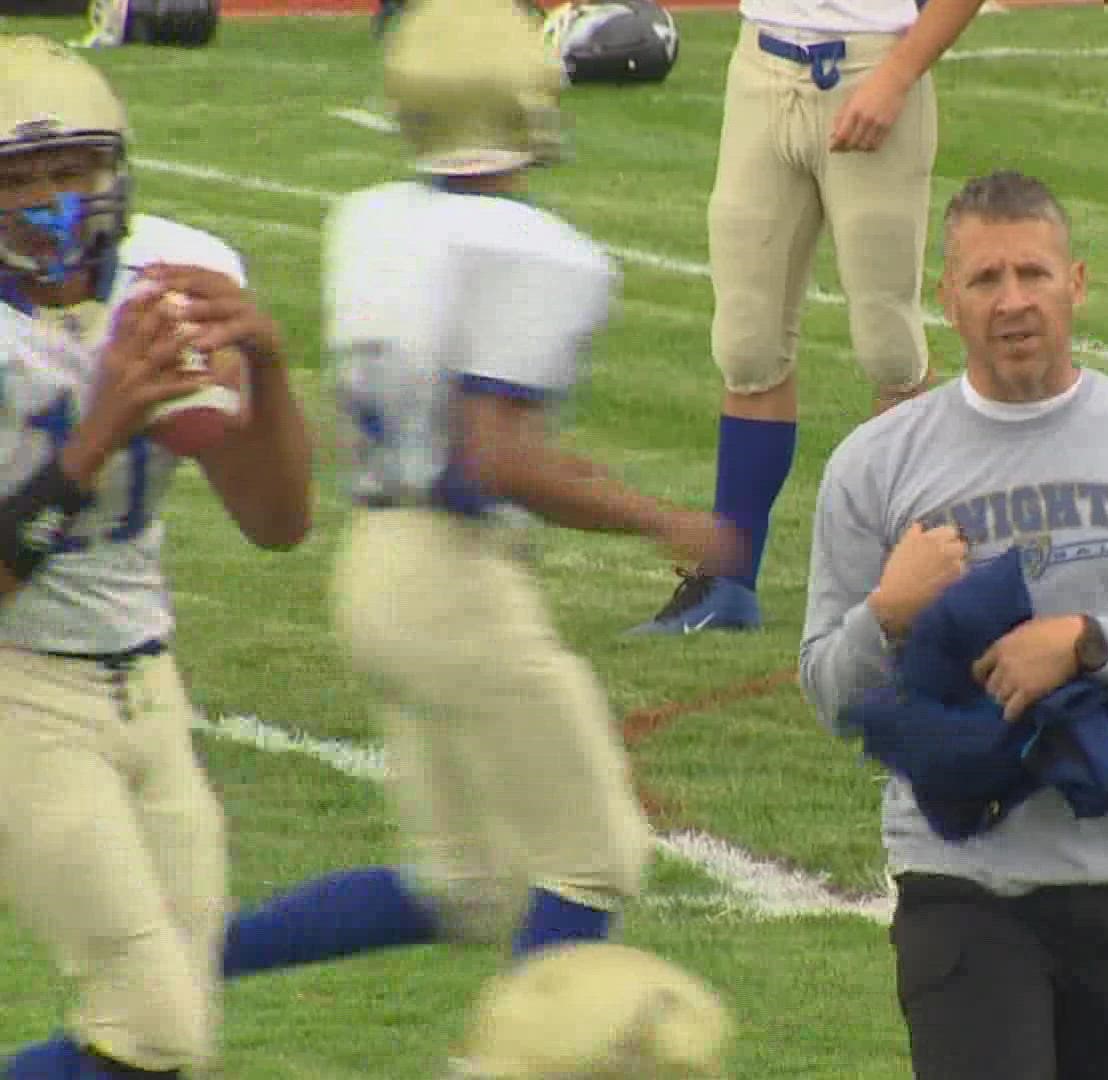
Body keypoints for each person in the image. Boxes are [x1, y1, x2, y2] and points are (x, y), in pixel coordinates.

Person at [206, 0, 743, 1062]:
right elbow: (497, 456)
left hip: (374, 563)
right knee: (593, 857)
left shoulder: (366, 216)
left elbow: (463, 430)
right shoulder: (541, 250)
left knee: (465, 884)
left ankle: (184, 960)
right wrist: (662, 518)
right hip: (455, 579)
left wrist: (584, 479)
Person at [800, 170, 1108, 1080]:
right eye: (985, 280)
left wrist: (1089, 642)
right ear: (948, 300)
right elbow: (827, 689)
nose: (1013, 302)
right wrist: (888, 613)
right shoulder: (875, 466)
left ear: (1076, 283)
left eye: (1033, 275)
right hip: (962, 880)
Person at [0, 34, 315, 1080]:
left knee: (175, 1038)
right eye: (20, 177)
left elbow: (277, 522)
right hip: (21, 697)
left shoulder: (176, 273)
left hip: (151, 686)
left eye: (71, 170)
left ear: (115, 169)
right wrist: (91, 443)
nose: (51, 201)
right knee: (153, 1025)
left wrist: (265, 364)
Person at [624, 0, 995, 635]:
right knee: (747, 344)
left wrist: (899, 73)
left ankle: (913, 574)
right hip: (760, 67)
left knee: (888, 345)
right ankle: (728, 580)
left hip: (871, 65)